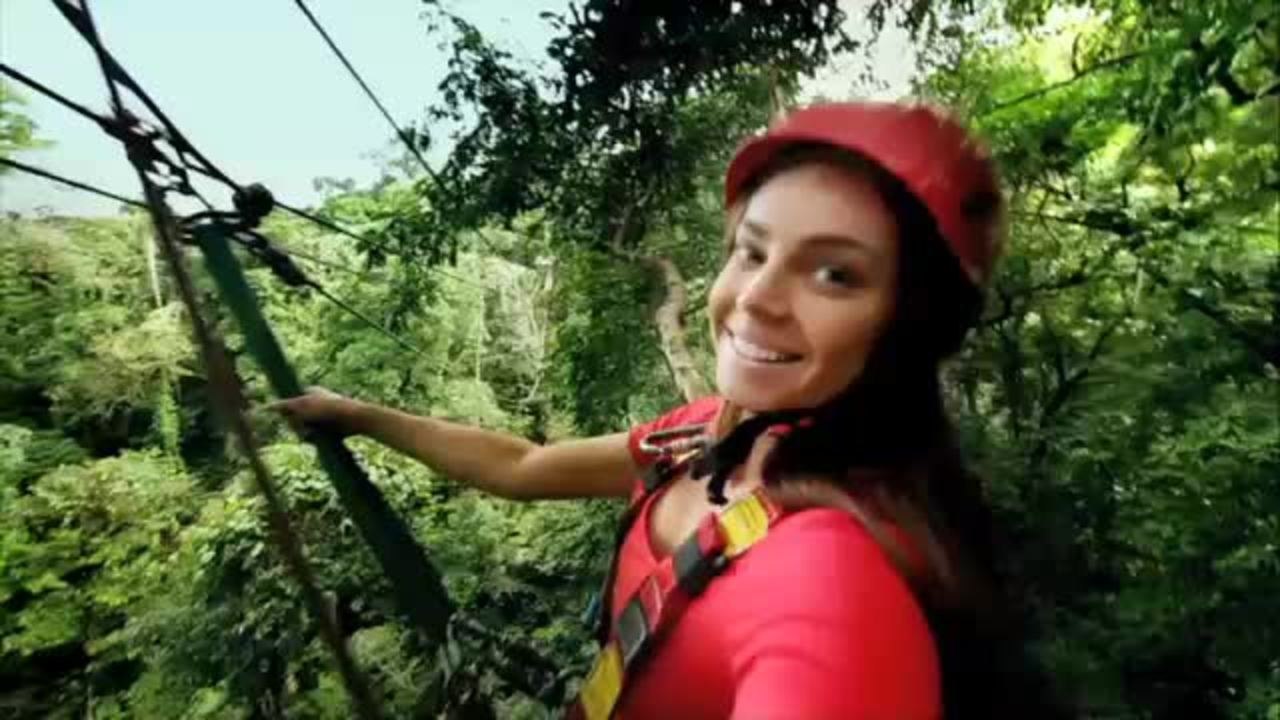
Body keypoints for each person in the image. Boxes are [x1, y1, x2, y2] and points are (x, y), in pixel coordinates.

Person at [273, 102, 1070, 719]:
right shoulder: (700, 437)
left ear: (906, 325)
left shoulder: (834, 579)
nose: (756, 300)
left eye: (835, 275)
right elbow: (519, 466)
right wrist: (357, 414)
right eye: (752, 251)